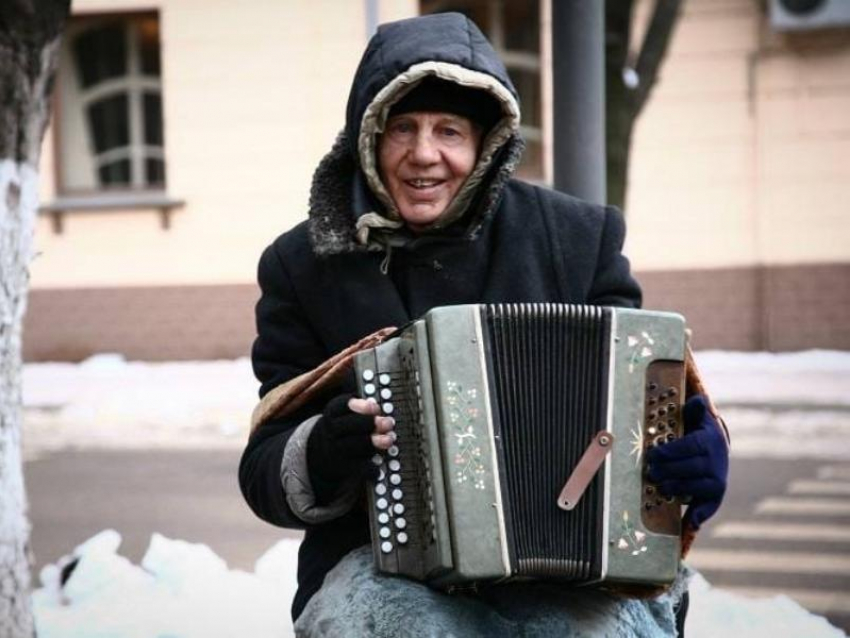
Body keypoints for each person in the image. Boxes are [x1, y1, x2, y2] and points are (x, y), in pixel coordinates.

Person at [239, 12, 729, 637]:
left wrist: (696, 451)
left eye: (449, 130)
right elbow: (263, 467)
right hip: (378, 569)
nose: (424, 154)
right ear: (367, 137)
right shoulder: (302, 264)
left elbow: (644, 402)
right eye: (402, 129)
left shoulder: (577, 238)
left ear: (486, 143)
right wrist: (324, 452)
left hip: (573, 571)